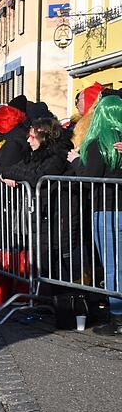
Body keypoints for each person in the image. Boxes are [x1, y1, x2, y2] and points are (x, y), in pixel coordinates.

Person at [70, 94, 122, 335]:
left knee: (113, 266)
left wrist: (76, 161)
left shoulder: (98, 143)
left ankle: (117, 317)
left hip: (108, 209)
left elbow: (88, 177)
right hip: (112, 208)